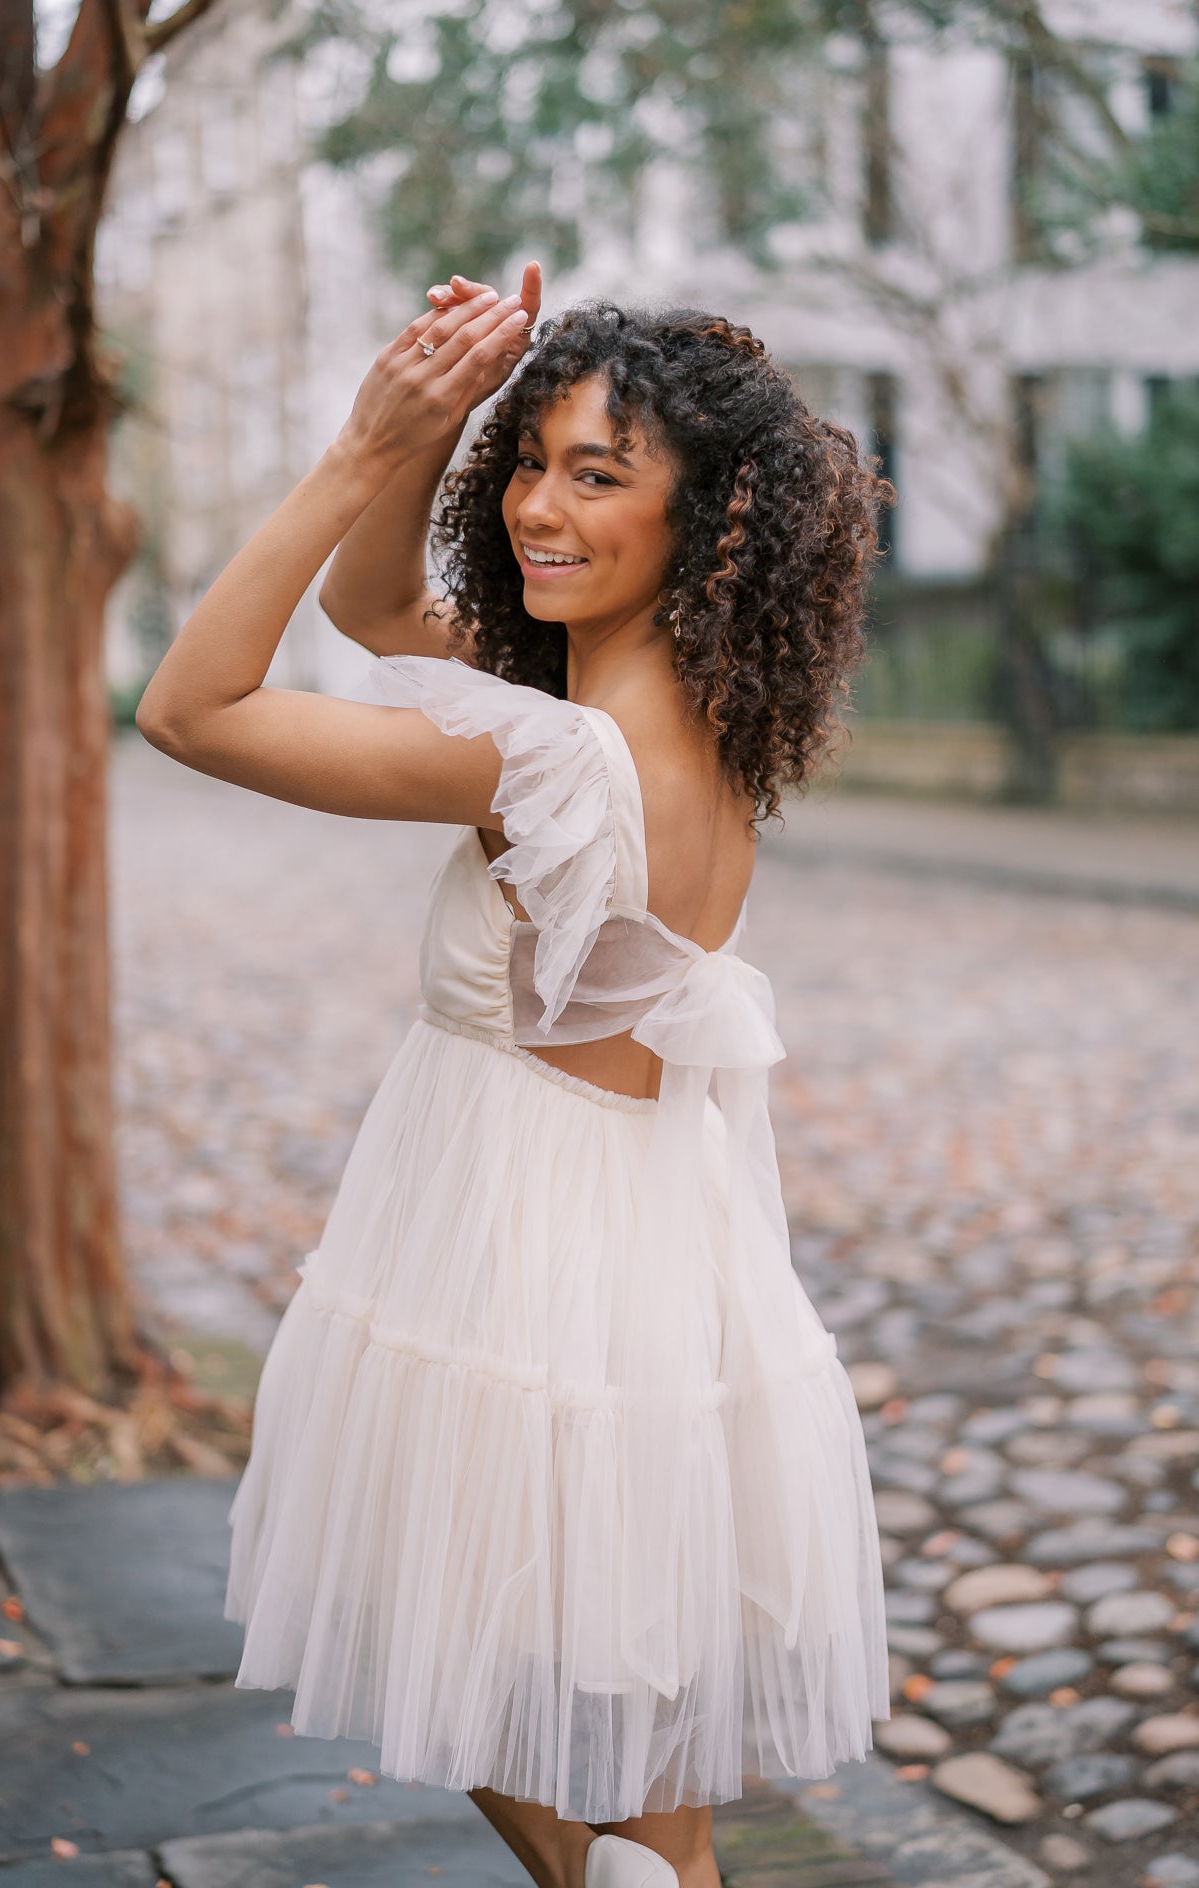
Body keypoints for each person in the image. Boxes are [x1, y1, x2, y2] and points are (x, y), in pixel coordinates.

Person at [138, 263, 890, 1888]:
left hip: (519, 1267)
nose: (540, 505)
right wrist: (437, 424)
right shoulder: (677, 716)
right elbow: (371, 612)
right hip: (638, 1258)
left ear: (707, 525)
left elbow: (189, 708)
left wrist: (359, 447)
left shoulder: (543, 757)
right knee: (635, 1784)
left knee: (482, 1691)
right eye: (529, 460)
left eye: (597, 476)